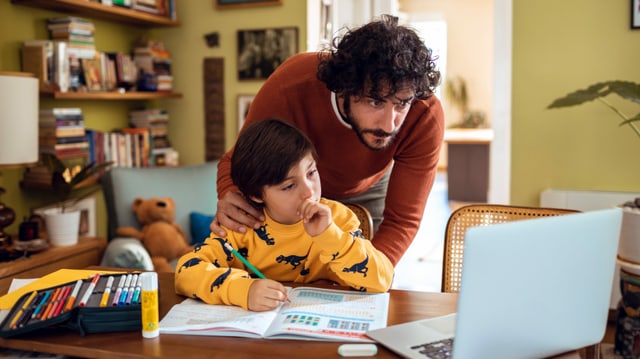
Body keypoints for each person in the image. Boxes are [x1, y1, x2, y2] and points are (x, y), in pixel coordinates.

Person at [212, 14, 444, 266]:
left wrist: (369, 275)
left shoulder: (425, 115)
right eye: (375, 102)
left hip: (369, 189)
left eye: (401, 104)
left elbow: (402, 221)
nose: (390, 125)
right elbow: (236, 160)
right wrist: (231, 193)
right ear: (344, 87)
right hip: (293, 188)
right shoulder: (291, 85)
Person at [175, 119, 394, 312]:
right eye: (289, 186)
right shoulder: (241, 226)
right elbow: (186, 272)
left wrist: (331, 236)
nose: (309, 191)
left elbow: (382, 280)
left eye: (311, 172)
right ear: (256, 194)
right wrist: (242, 290)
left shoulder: (339, 219)